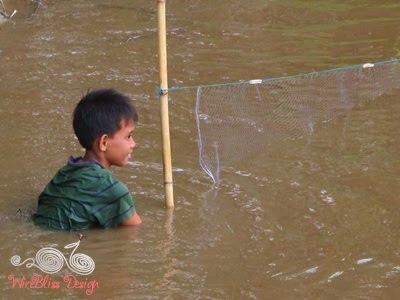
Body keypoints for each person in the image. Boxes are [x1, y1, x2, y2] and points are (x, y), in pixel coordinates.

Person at [33, 89, 142, 230]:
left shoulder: (63, 174)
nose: (133, 143)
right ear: (103, 142)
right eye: (128, 136)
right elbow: (135, 229)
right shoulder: (111, 189)